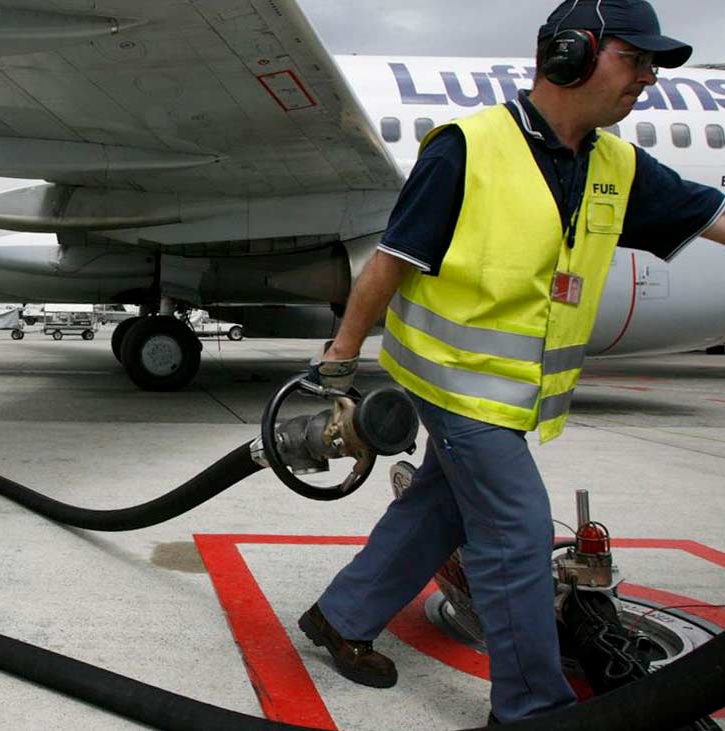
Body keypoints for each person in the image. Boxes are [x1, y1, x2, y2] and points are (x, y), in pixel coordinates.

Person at [296, 0, 725, 723]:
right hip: (450, 380)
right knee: (517, 531)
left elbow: (712, 215)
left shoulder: (615, 164)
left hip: (511, 392)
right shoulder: (466, 147)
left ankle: (341, 616)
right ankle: (530, 709)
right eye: (636, 59)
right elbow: (388, 264)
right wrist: (341, 359)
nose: (647, 79)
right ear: (570, 55)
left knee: (442, 506)